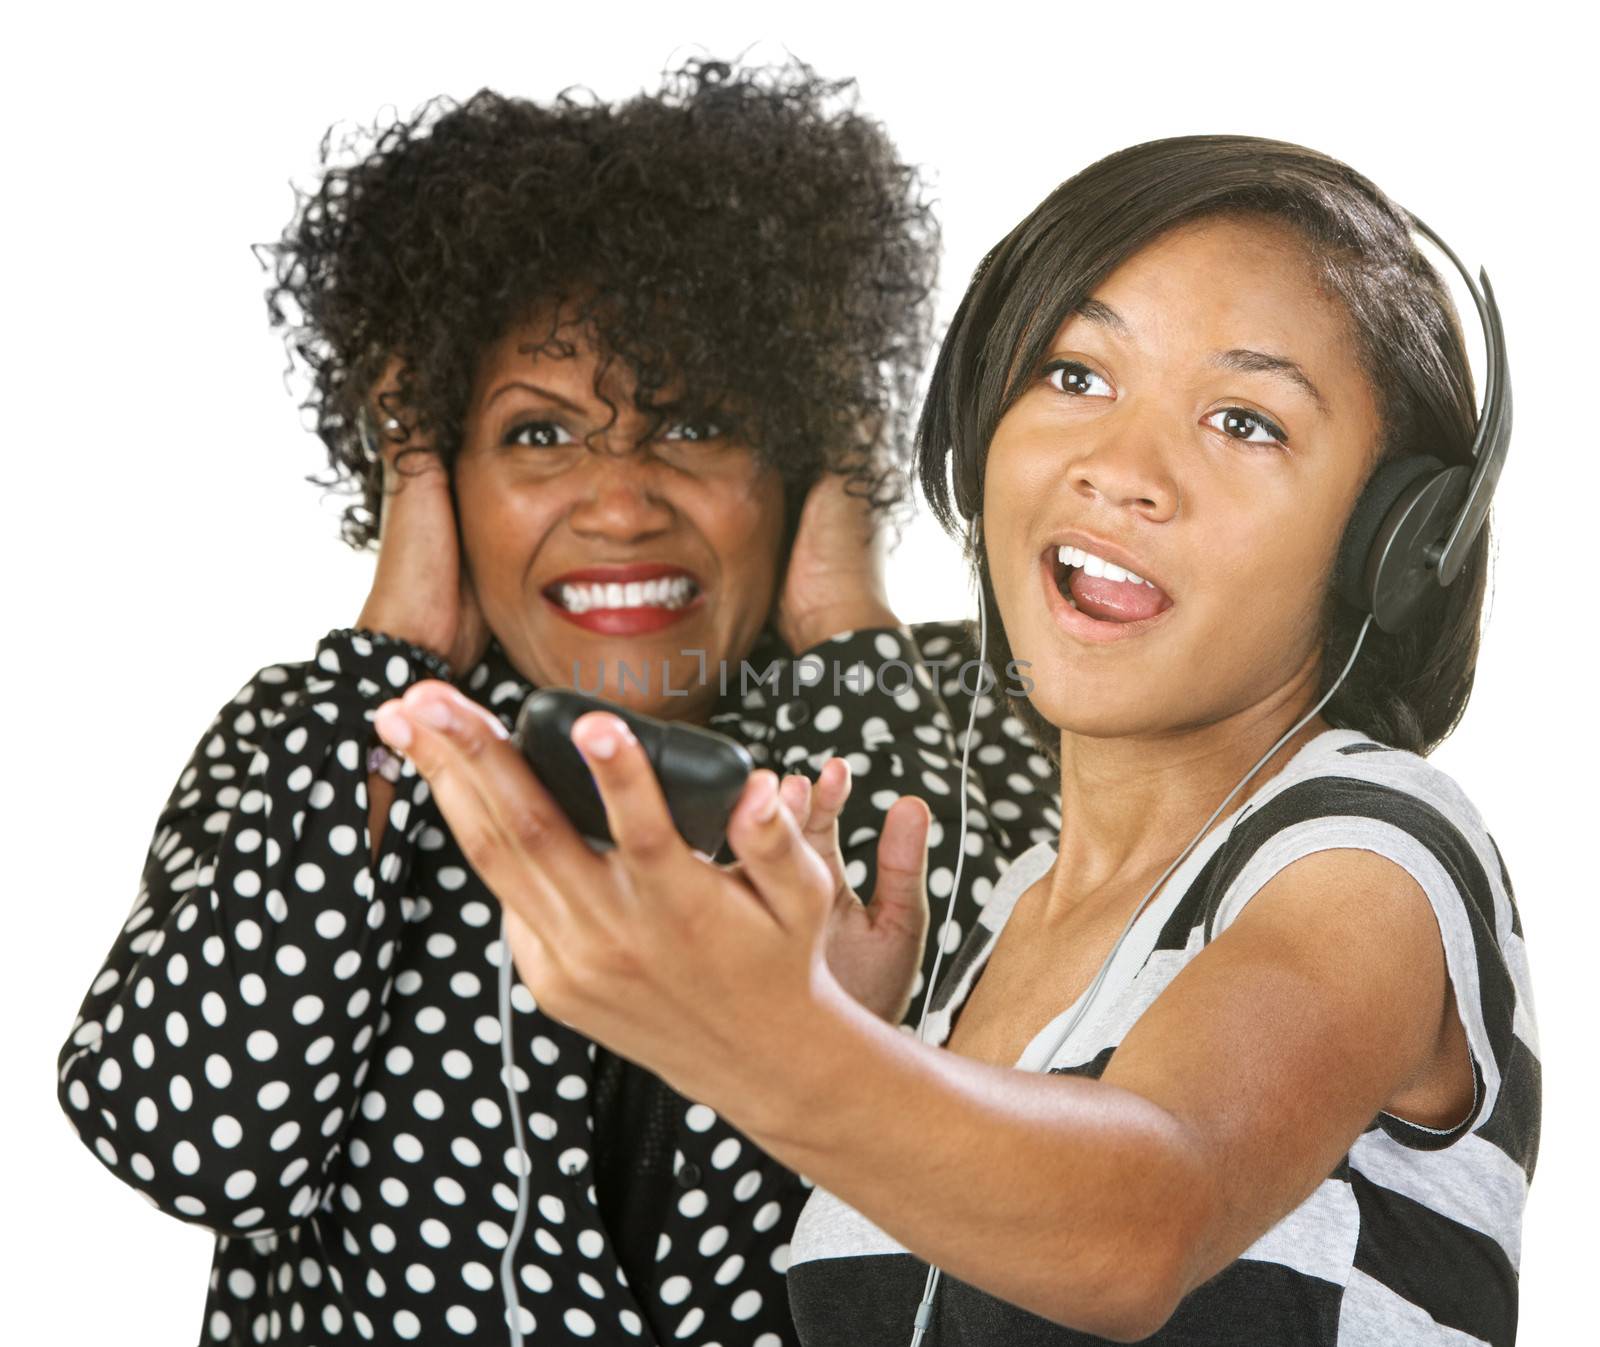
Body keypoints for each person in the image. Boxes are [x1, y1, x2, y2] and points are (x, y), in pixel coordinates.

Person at [366, 135, 1540, 1346]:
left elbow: (1141, 1220)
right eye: (1076, 376)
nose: (1118, 470)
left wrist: (774, 1047)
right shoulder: (999, 919)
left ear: (1394, 544)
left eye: (1242, 420)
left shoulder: (1372, 858)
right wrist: (847, 1030)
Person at [55, 57, 1060, 1347]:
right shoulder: (315, 737)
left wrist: (845, 641)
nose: (623, 501)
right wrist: (394, 656)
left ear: (805, 460)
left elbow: (1023, 1104)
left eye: (694, 424)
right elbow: (189, 1142)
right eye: (537, 434)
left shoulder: (983, 711)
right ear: (432, 471)